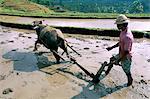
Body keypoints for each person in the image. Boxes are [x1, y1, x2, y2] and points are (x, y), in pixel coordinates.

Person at [106, 14, 134, 86]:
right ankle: (107, 72)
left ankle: (130, 82)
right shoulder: (123, 31)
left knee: (127, 71)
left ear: (124, 24)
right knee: (112, 59)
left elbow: (126, 51)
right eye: (117, 25)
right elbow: (120, 42)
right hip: (121, 53)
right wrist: (111, 47)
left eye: (119, 25)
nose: (117, 26)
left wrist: (118, 60)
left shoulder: (128, 37)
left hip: (126, 56)